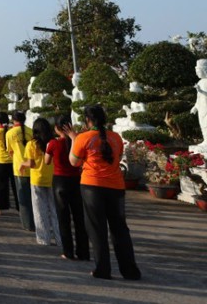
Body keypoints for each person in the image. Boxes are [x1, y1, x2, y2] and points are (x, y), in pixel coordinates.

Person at [69, 105, 140, 280]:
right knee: (120, 229)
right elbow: (117, 156)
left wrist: (73, 139)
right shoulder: (115, 137)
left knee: (97, 229)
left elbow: (74, 162)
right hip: (116, 186)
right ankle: (130, 270)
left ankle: (103, 269)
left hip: (92, 186)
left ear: (87, 120)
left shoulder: (83, 138)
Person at [46, 115, 89, 261]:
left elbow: (47, 161)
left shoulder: (53, 143)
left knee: (63, 219)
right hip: (76, 180)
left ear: (57, 129)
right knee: (79, 218)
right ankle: (83, 251)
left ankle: (68, 252)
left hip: (59, 181)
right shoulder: (77, 141)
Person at [23, 117, 60, 247]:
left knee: (40, 210)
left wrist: (22, 164)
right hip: (52, 178)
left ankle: (44, 238)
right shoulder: (53, 142)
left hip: (37, 179)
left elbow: (31, 164)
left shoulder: (31, 144)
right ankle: (59, 237)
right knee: (55, 209)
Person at [7, 111, 35, 232]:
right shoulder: (30, 131)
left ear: (13, 120)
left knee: (23, 198)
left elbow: (10, 151)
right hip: (32, 166)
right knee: (33, 198)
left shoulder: (10, 133)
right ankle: (35, 221)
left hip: (19, 167)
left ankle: (27, 224)